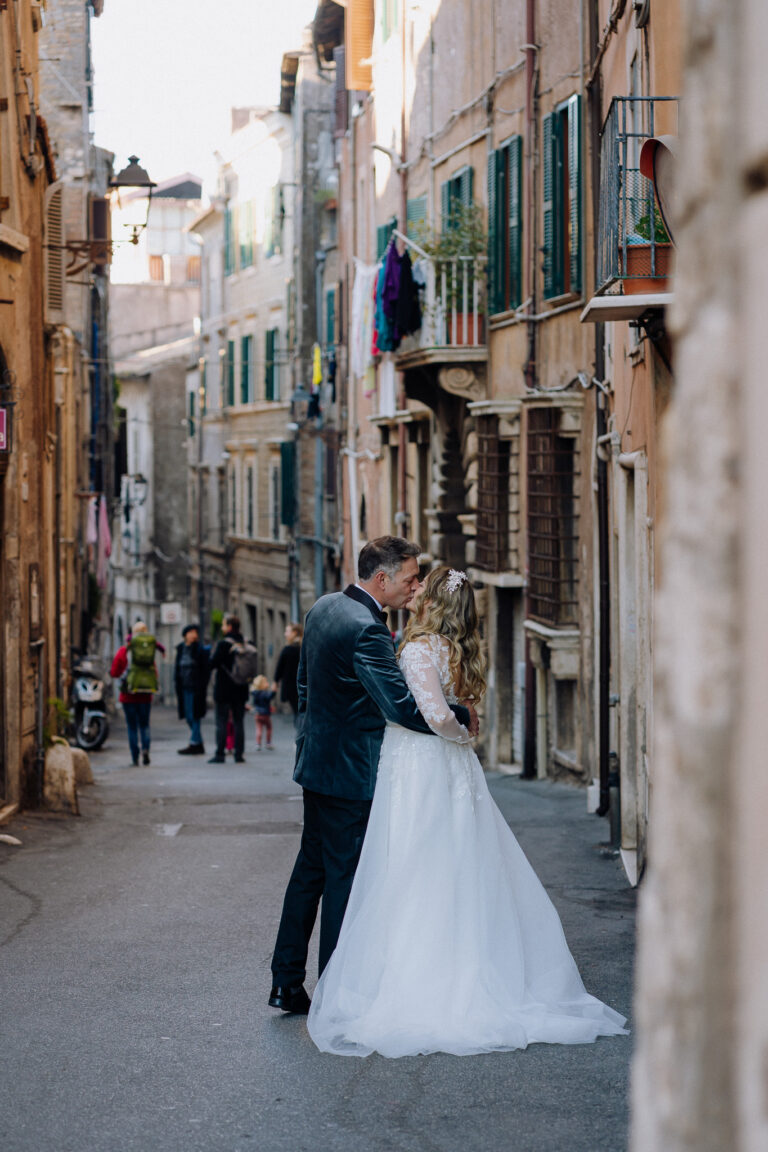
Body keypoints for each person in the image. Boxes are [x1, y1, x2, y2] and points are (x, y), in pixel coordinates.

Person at [307, 567, 629, 1057]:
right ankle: (468, 960)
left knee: (416, 863)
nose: (412, 591)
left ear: (434, 601)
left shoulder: (418, 648)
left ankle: (421, 979)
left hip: (421, 765)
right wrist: (465, 741)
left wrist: (456, 735)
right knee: (457, 861)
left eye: (420, 587)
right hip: (452, 767)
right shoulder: (454, 650)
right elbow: (457, 707)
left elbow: (435, 715)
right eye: (411, 583)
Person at [268, 537, 476, 1016]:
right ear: (381, 579)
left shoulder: (323, 607)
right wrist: (461, 715)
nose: (414, 587)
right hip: (352, 773)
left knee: (309, 872)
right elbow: (402, 707)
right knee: (345, 878)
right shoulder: (368, 629)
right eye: (408, 578)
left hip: (315, 763)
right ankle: (338, 991)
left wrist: (310, 738)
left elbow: (304, 687)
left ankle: (285, 982)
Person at [109, 621, 165, 766]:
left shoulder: (125, 650)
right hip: (145, 695)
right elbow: (154, 673)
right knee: (145, 725)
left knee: (132, 726)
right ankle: (145, 749)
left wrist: (120, 675)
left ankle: (135, 757)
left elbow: (115, 671)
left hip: (128, 695)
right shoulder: (149, 650)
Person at [208, 614, 249, 764]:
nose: (222, 627)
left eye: (224, 625)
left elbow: (212, 664)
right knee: (239, 722)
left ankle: (220, 754)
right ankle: (239, 755)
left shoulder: (223, 644)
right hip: (241, 688)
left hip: (224, 689)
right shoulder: (245, 643)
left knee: (221, 721)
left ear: (230, 627)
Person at [175, 624, 210, 755]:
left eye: (195, 632)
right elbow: (177, 668)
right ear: (185, 635)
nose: (194, 635)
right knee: (189, 717)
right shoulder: (181, 649)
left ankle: (194, 743)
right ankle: (198, 743)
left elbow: (205, 670)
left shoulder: (200, 650)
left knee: (195, 716)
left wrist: (202, 685)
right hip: (184, 686)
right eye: (191, 632)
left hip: (196, 688)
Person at [272, 622, 302, 719]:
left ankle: (300, 732)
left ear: (294, 633)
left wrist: (275, 682)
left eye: (287, 631)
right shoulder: (302, 647)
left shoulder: (288, 649)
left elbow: (280, 667)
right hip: (303, 686)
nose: (285, 634)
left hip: (291, 686)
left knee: (297, 713)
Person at [251, 675, 276, 750]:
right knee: (269, 728)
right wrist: (274, 691)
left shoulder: (255, 693)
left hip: (257, 714)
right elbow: (270, 697)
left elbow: (254, 703)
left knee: (259, 729)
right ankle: (268, 743)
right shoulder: (265, 693)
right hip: (265, 714)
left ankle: (258, 744)